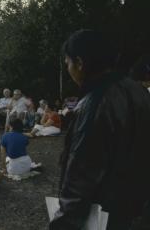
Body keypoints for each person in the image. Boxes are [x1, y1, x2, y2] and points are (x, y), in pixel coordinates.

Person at [49, 30, 150, 230]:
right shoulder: (138, 91)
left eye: (68, 63)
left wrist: (62, 225)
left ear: (79, 63)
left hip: (107, 212)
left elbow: (81, 176)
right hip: (139, 207)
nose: (68, 69)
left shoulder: (93, 104)